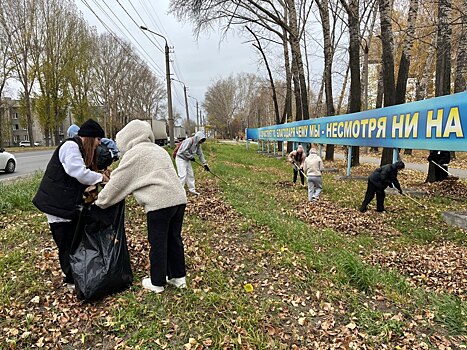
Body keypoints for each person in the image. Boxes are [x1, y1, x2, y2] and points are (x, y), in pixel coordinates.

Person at [95, 120, 188, 294]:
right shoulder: (158, 150)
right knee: (174, 239)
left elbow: (118, 183)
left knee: (158, 243)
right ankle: (178, 277)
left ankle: (157, 282)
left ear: (127, 139)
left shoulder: (135, 154)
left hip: (159, 203)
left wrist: (99, 202)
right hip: (179, 199)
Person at [33, 119, 108, 288]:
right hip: (56, 204)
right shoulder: (71, 147)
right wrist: (101, 178)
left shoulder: (80, 149)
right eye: (97, 139)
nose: (99, 143)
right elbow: (78, 172)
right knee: (66, 242)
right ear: (89, 138)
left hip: (65, 203)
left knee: (73, 239)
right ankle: (71, 281)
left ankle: (76, 275)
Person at [175, 130, 209, 195]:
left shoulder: (198, 145)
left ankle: (192, 190)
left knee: (190, 175)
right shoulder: (189, 141)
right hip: (180, 159)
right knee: (182, 175)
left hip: (187, 160)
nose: (201, 142)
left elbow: (200, 154)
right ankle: (179, 192)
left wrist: (205, 164)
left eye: (203, 140)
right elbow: (183, 151)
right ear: (198, 137)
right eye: (201, 140)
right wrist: (191, 157)